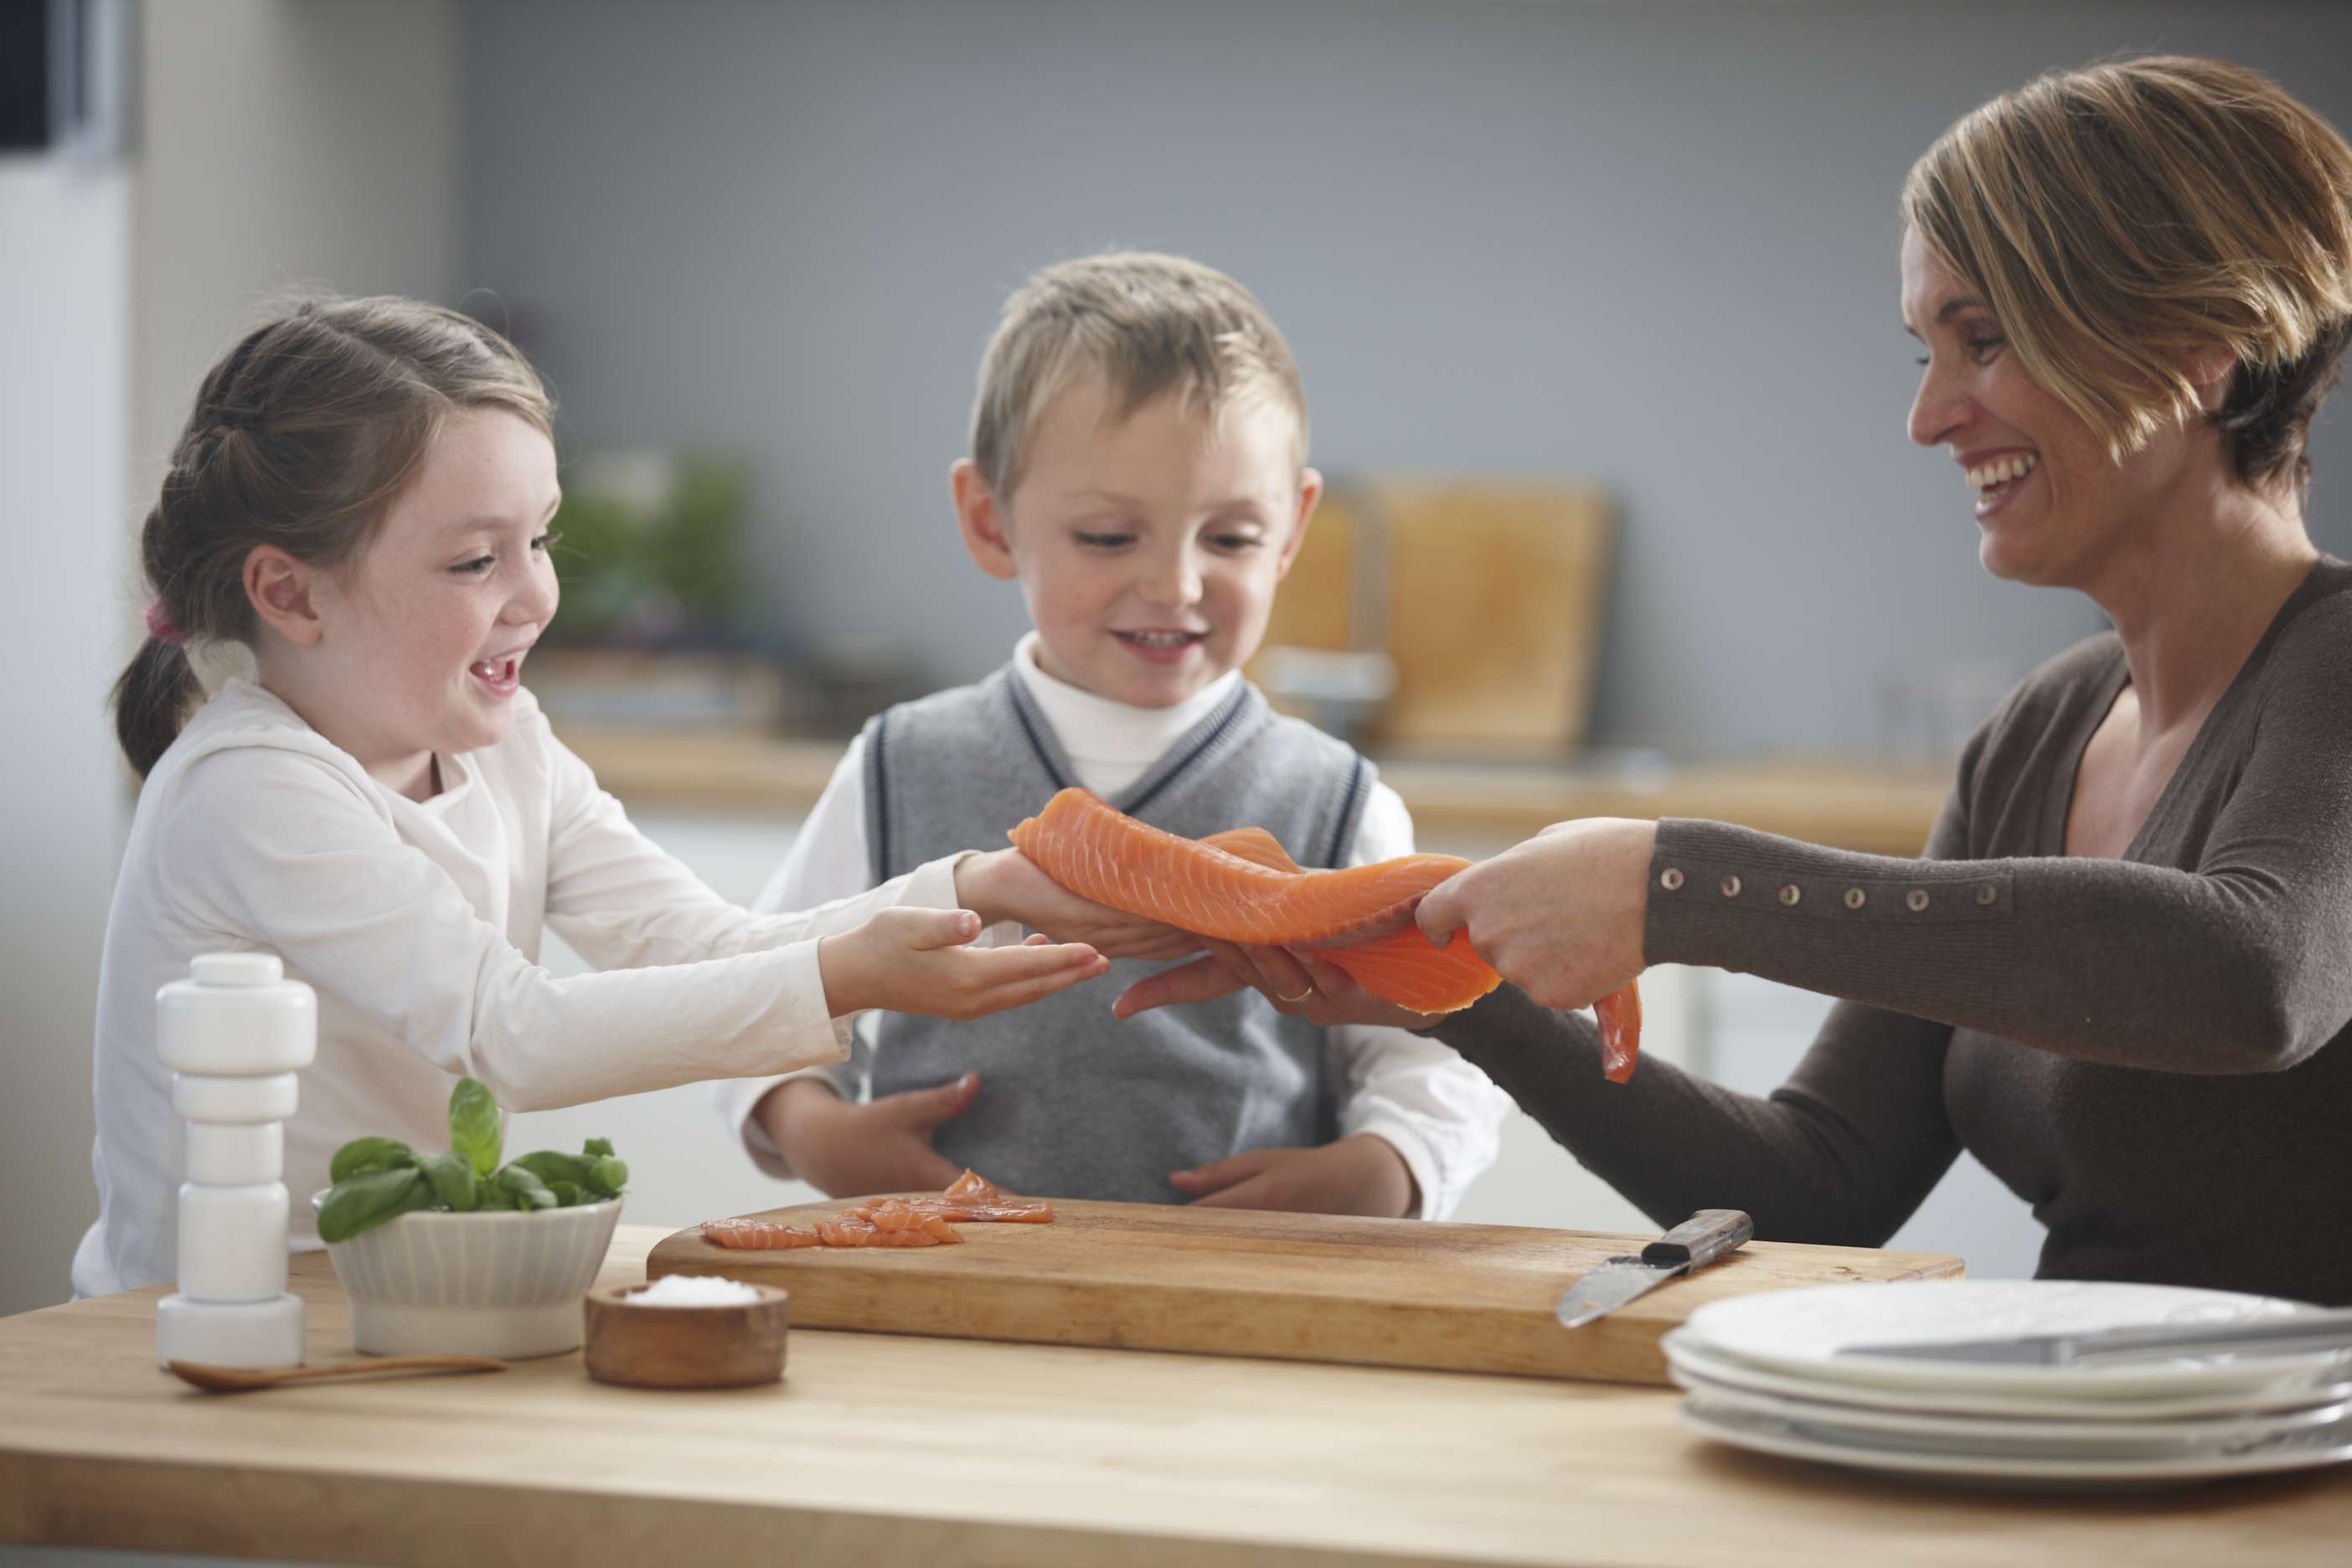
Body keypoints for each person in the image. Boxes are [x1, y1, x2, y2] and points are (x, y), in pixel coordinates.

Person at [1126, 58, 2352, 1303]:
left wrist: (1682, 883)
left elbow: (2250, 977)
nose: (1930, 416)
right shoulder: (2041, 735)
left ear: (2203, 349)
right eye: (1926, 352)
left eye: (1983, 340)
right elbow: (1823, 1183)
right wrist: (1450, 997)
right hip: (2109, 1402)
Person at [78, 297, 1112, 1297]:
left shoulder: (508, 751)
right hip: (197, 1324)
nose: (536, 595)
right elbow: (512, 1032)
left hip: (390, 1305)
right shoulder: (250, 789)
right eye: (475, 560)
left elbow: (697, 944)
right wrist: (849, 973)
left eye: (541, 540)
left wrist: (977, 887)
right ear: (291, 593)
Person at [714, 253, 1508, 1215]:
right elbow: (761, 993)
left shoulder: (1338, 799)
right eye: (1107, 537)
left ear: (1293, 528)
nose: (1175, 585)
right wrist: (812, 1130)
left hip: (1241, 1292)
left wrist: (1383, 1170)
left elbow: (1440, 1062)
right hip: (946, 1280)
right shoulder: (898, 763)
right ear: (990, 521)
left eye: (1230, 538)